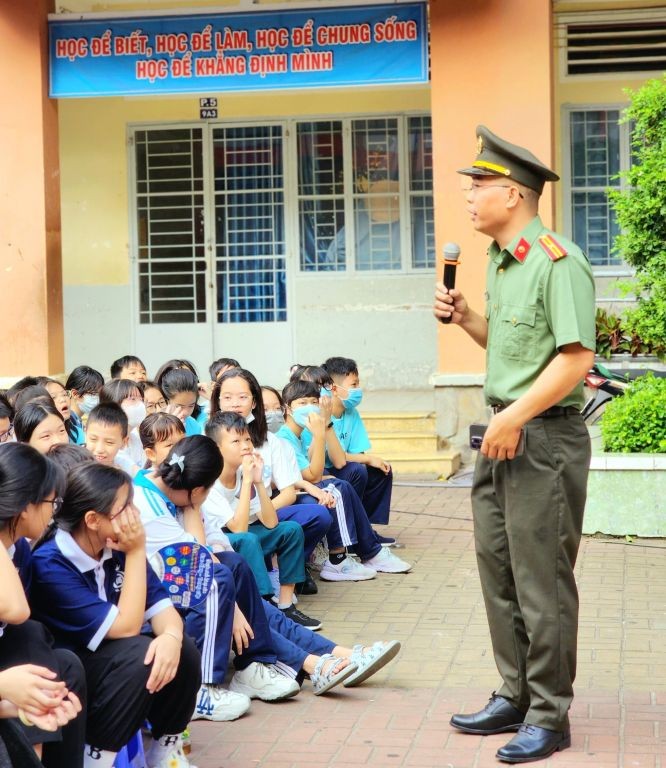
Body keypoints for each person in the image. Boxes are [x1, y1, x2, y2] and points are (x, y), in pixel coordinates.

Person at [434, 125, 596, 764]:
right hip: (502, 432)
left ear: (515, 194)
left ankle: (551, 714)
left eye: (479, 186)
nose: (469, 197)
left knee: (541, 580)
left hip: (542, 439)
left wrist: (517, 418)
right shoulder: (503, 264)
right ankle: (516, 693)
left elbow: (576, 359)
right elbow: (514, 352)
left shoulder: (557, 260)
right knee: (497, 570)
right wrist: (470, 317)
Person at [30, 462, 201, 768]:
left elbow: (164, 610)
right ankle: (97, 760)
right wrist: (137, 552)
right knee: (140, 654)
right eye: (125, 508)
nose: (135, 515)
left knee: (182, 648)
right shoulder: (51, 563)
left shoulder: (115, 545)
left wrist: (172, 638)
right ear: (93, 520)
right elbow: (126, 628)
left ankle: (165, 752)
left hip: (114, 660)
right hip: (72, 672)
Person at [0, 443, 85, 767]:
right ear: (24, 506)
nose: (54, 512)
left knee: (65, 669)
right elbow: (16, 610)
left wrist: (24, 703)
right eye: (51, 501)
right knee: (29, 635)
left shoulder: (18, 550)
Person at [277, 379, 411, 580]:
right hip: (287, 496)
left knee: (343, 485)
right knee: (337, 487)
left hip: (301, 488)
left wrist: (319, 432)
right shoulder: (285, 437)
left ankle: (371, 552)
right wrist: (320, 435)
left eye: (313, 402)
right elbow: (312, 475)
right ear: (287, 408)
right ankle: (338, 560)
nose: (309, 408)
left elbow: (315, 468)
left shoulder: (300, 434)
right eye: (302, 403)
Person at [203, 411, 320, 629]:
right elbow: (237, 528)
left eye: (247, 439)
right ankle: (263, 607)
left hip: (243, 533)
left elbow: (270, 522)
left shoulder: (243, 473)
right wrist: (248, 481)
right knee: (248, 539)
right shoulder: (210, 480)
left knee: (290, 530)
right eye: (236, 441)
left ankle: (286, 606)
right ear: (216, 448)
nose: (246, 446)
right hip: (220, 541)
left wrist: (257, 483)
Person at [64, 366, 105, 445]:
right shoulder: (68, 424)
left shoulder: (77, 421)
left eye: (100, 394)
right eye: (94, 394)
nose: (98, 399)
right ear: (75, 394)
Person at [85, 403, 130, 470]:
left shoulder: (126, 469)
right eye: (93, 439)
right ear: (85, 433)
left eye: (109, 442)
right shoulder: (73, 467)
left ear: (124, 442)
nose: (100, 449)